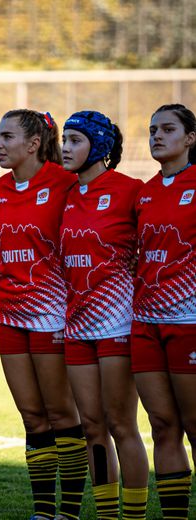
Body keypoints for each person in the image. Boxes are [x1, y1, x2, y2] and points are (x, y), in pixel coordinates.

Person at [0, 109, 87, 520]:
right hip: (9, 314)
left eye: (6, 137)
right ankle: (43, 511)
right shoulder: (1, 186)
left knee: (62, 413)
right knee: (32, 417)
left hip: (53, 314)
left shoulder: (64, 182)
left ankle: (69, 511)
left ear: (33, 144)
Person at [60, 110, 149, 520]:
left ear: (98, 145)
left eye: (75, 140)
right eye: (64, 139)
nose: (65, 147)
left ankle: (133, 515)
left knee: (121, 424)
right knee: (92, 426)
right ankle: (108, 514)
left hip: (118, 324)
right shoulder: (66, 194)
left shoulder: (131, 190)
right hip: (77, 325)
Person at [133, 103, 196, 520]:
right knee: (162, 425)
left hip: (189, 323)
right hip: (145, 324)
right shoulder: (144, 193)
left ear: (190, 138)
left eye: (168, 129)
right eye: (153, 129)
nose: (157, 135)